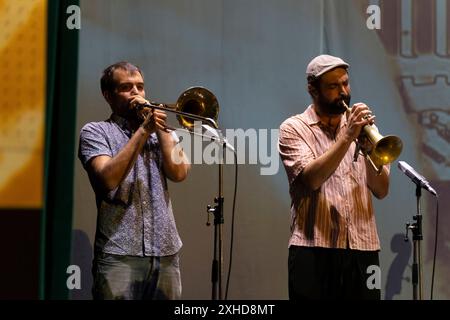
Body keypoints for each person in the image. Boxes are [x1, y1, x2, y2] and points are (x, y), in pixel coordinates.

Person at [278, 54, 390, 300]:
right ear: (312, 89)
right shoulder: (293, 128)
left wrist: (369, 148)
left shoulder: (361, 128)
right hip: (314, 249)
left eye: (346, 83)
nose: (343, 92)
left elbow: (381, 190)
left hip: (363, 248)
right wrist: (347, 137)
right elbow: (312, 179)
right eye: (333, 86)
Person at [78, 61, 190, 300]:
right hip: (119, 254)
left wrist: (160, 131)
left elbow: (179, 173)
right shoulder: (96, 131)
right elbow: (107, 179)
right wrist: (144, 131)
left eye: (140, 87)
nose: (136, 93)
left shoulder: (162, 132)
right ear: (108, 95)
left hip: (165, 252)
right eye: (126, 87)